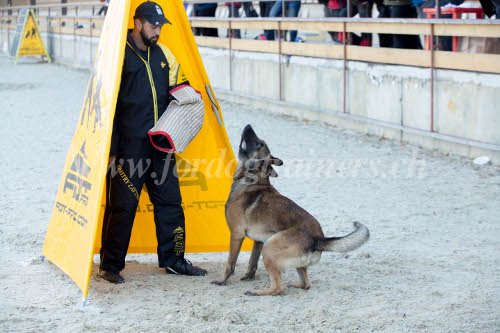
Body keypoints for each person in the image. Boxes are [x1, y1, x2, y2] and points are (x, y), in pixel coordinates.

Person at [98, 1, 207, 284]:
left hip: (160, 144)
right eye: (153, 25)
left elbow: (181, 90)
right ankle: (109, 266)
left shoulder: (164, 55)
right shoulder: (119, 55)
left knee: (171, 203)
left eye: (160, 25)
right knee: (122, 207)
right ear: (137, 23)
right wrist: (111, 151)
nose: (157, 30)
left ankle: (174, 260)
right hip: (129, 147)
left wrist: (191, 99)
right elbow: (106, 106)